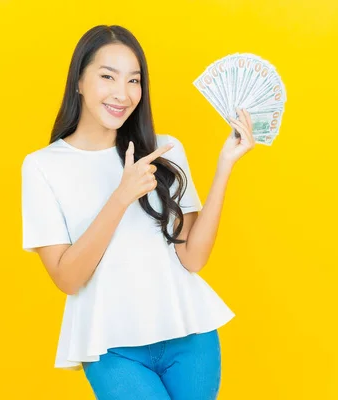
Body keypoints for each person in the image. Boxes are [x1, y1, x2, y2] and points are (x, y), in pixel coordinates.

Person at [21, 24, 255, 400]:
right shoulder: (42, 167)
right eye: (107, 76)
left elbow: (193, 258)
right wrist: (121, 196)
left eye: (134, 80)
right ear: (78, 81)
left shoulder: (165, 150)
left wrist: (225, 164)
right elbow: (67, 278)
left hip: (191, 338)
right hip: (112, 347)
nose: (122, 93)